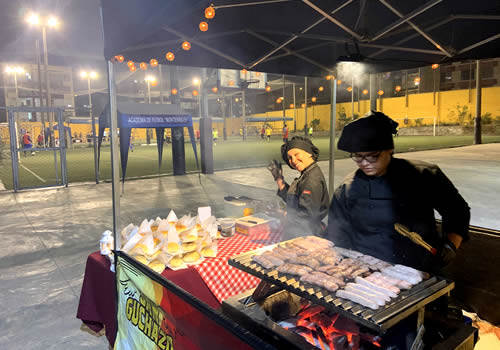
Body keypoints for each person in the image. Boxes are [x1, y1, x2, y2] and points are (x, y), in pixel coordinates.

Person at [326, 111, 470, 273]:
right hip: (370, 273)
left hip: (420, 268)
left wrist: (450, 246)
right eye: (358, 157)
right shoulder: (346, 188)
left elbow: (458, 211)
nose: (364, 163)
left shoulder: (424, 175)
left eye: (372, 156)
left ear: (389, 150)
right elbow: (336, 233)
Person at [268, 136, 329, 239]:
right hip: (299, 233)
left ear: (309, 153)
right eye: (290, 158)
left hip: (307, 236)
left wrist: (283, 214)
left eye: (296, 154)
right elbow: (296, 201)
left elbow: (307, 216)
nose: (293, 160)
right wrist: (279, 179)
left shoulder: (311, 179)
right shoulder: (307, 173)